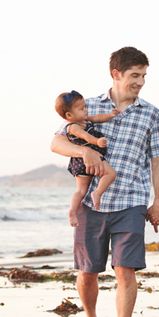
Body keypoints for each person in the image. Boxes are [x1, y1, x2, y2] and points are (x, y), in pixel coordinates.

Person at [50, 47, 159, 317]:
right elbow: (56, 142)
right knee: (87, 272)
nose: (141, 82)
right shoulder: (85, 107)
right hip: (91, 206)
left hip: (131, 201)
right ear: (116, 74)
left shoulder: (152, 114)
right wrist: (85, 152)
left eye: (144, 75)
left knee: (125, 272)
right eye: (135, 75)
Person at [54, 90, 120, 226]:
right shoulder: (72, 127)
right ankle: (97, 193)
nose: (85, 110)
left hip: (79, 164)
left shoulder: (83, 120)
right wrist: (97, 141)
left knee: (81, 190)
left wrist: (110, 115)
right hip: (88, 159)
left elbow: (97, 118)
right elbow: (85, 137)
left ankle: (73, 210)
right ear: (69, 115)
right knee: (110, 174)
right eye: (81, 108)